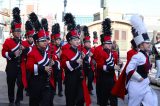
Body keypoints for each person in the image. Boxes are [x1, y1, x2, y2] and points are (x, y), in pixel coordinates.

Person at [126, 15, 158, 106]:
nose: (149, 44)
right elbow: (129, 69)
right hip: (136, 86)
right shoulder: (137, 56)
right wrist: (139, 78)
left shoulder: (146, 55)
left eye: (149, 43)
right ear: (141, 45)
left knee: (152, 102)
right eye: (147, 43)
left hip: (145, 85)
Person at [61, 13, 91, 106]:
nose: (77, 41)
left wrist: (85, 58)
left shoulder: (80, 50)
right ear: (70, 41)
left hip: (80, 78)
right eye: (75, 40)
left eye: (78, 39)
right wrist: (75, 62)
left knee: (81, 99)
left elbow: (87, 64)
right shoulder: (65, 51)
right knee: (70, 100)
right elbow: (63, 65)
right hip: (70, 78)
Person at [26, 12, 55, 106]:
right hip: (35, 83)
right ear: (37, 43)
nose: (45, 42)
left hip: (46, 83)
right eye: (42, 41)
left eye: (46, 40)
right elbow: (29, 66)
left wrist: (52, 63)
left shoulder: (46, 52)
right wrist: (43, 68)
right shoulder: (32, 52)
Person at [93, 18, 119, 106]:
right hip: (103, 78)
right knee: (103, 100)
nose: (109, 45)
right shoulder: (101, 53)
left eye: (110, 44)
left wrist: (120, 64)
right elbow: (101, 66)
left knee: (114, 99)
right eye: (107, 44)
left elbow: (116, 63)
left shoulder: (114, 53)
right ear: (103, 44)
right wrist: (113, 67)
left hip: (112, 78)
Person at [1, 7, 24, 106]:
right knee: (10, 85)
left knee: (21, 84)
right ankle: (11, 101)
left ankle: (18, 100)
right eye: (17, 31)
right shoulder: (8, 41)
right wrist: (12, 54)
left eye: (20, 31)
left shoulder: (22, 42)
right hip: (11, 66)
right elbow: (3, 53)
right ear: (13, 32)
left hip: (20, 67)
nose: (19, 33)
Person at [51, 23, 63, 97]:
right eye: (57, 40)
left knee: (60, 79)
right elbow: (51, 56)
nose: (58, 41)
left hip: (60, 66)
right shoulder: (52, 48)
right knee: (54, 78)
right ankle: (54, 90)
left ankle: (60, 91)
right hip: (54, 65)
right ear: (55, 41)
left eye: (59, 40)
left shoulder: (62, 48)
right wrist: (56, 57)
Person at [82, 26, 94, 95]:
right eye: (88, 42)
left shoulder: (92, 50)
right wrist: (87, 56)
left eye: (89, 42)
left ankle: (89, 88)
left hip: (90, 67)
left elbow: (94, 58)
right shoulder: (82, 50)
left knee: (90, 78)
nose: (89, 43)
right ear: (84, 43)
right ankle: (85, 89)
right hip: (84, 67)